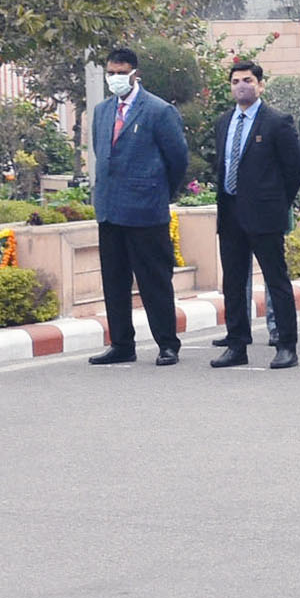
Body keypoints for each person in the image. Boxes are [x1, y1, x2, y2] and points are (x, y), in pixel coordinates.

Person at [88, 46, 189, 367]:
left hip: (146, 211)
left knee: (154, 281)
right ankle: (121, 343)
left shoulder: (158, 111)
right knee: (114, 280)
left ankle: (167, 344)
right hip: (110, 210)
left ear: (135, 74)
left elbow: (178, 160)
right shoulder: (103, 111)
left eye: (121, 73)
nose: (116, 79)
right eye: (111, 73)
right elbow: (102, 154)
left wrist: (159, 191)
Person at [208, 58, 300, 368]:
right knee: (233, 282)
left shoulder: (277, 121)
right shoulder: (224, 122)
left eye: (247, 80)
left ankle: (286, 345)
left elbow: (294, 170)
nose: (241, 86)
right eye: (235, 81)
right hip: (231, 212)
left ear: (260, 85)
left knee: (276, 281)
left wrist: (276, 202)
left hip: (265, 215)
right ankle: (237, 344)